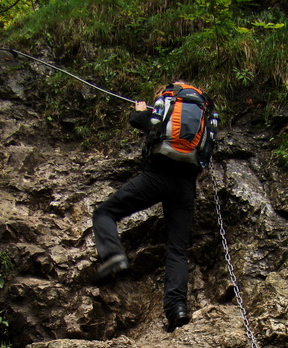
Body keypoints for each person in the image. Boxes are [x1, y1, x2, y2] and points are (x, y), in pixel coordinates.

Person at [92, 81, 217, 333]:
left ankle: (113, 255)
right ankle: (177, 310)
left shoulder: (166, 103)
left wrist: (140, 110)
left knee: (105, 212)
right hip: (185, 185)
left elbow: (140, 122)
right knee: (177, 249)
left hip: (157, 175)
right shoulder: (202, 111)